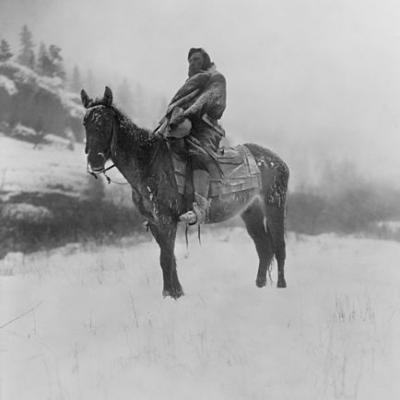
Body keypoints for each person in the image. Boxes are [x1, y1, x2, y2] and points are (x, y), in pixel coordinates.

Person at [159, 48, 227, 224]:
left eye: (196, 59)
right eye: (190, 61)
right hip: (185, 126)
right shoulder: (190, 83)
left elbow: (212, 101)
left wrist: (188, 114)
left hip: (206, 128)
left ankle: (200, 207)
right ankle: (171, 203)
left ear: (205, 61)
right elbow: (177, 105)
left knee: (199, 154)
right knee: (167, 153)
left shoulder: (216, 78)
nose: (192, 63)